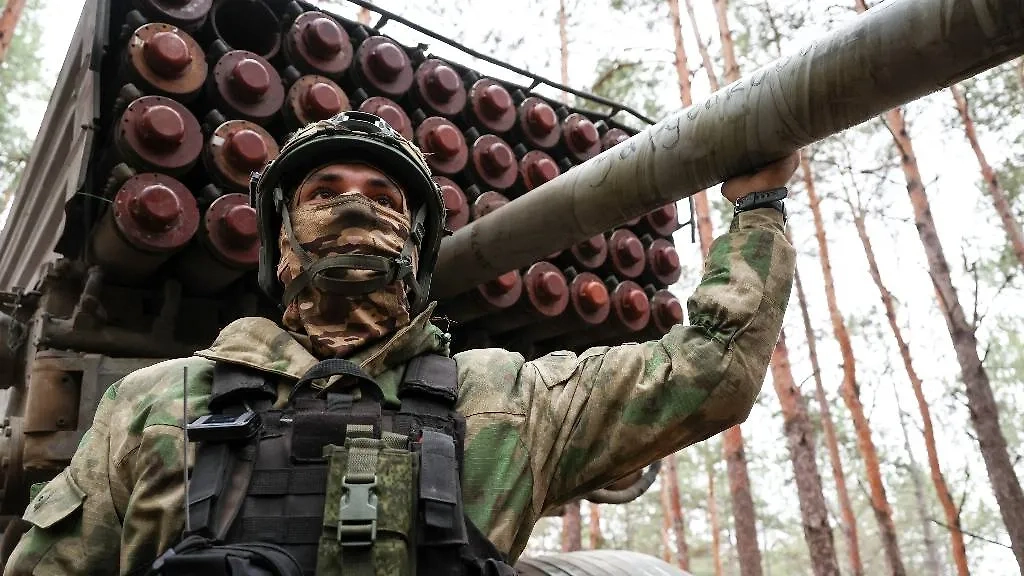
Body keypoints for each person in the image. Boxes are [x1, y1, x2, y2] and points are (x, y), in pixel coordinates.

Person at [4, 111, 798, 576]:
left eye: (383, 196)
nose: (355, 206)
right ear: (281, 239)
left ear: (417, 248)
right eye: (324, 193)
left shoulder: (506, 398)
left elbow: (711, 370)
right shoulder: (153, 402)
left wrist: (758, 206)